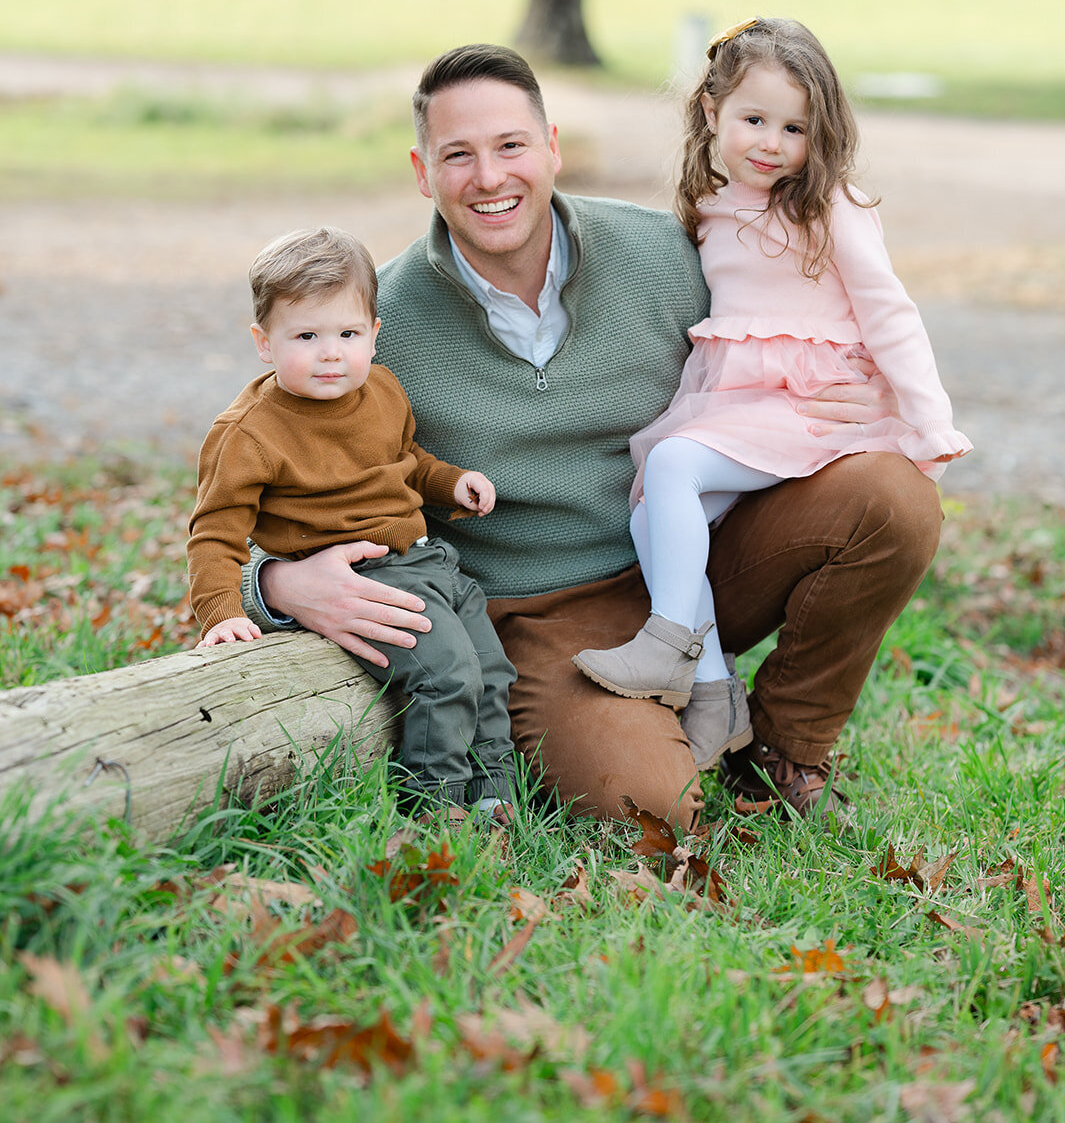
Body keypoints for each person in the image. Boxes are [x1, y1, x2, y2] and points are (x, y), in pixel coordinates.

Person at [239, 44, 944, 828]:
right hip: (542, 617)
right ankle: (649, 725)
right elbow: (259, 466)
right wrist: (272, 585)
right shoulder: (379, 323)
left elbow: (802, 315)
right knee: (650, 810)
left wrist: (873, 393)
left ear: (550, 149)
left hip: (694, 567)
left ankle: (780, 749)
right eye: (458, 155)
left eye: (510, 146)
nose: (490, 177)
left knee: (891, 497)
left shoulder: (662, 255)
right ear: (421, 171)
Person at [574, 17, 971, 771]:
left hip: (799, 402)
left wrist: (925, 421)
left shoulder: (827, 206)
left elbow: (886, 310)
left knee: (671, 470)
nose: (771, 143)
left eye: (794, 128)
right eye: (753, 119)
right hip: (733, 401)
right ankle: (716, 691)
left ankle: (668, 647)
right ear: (709, 112)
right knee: (652, 519)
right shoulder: (710, 209)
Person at [187, 225, 518, 817]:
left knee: (490, 671)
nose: (331, 352)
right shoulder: (248, 433)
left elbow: (406, 462)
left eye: (348, 333)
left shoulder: (383, 390)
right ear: (264, 342)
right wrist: (221, 613)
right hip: (365, 578)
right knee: (446, 678)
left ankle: (493, 795)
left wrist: (450, 484)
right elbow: (214, 531)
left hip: (428, 560)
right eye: (306, 335)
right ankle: (435, 809)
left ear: (374, 335)